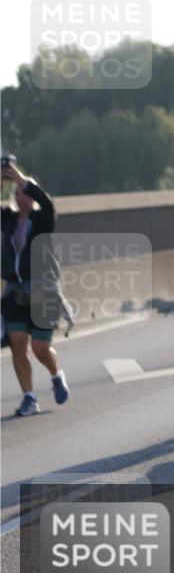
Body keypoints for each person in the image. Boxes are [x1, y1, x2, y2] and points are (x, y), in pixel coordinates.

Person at [1, 160, 70, 416]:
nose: (22, 197)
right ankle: (29, 398)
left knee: (40, 348)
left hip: (43, 290)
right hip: (15, 291)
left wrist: (21, 179)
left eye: (26, 193)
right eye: (17, 194)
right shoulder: (7, 220)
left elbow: (48, 202)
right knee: (18, 344)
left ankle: (55, 374)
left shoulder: (43, 220)